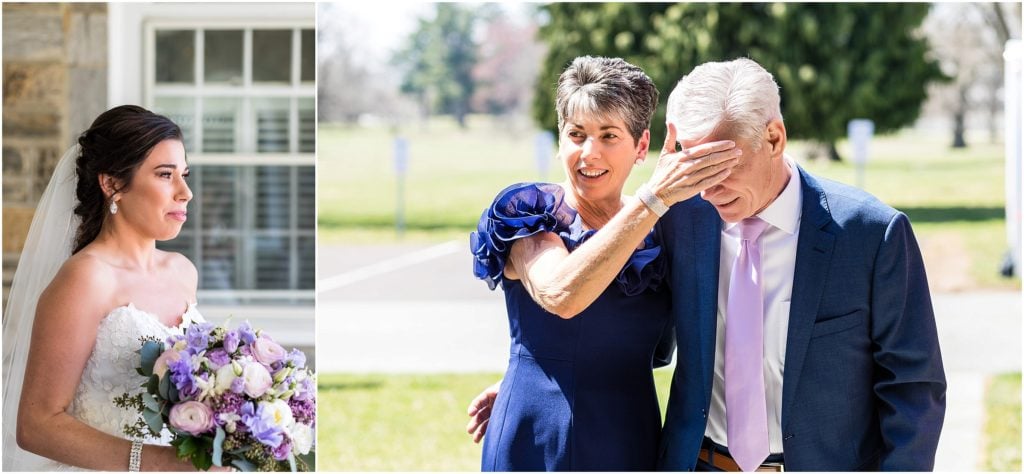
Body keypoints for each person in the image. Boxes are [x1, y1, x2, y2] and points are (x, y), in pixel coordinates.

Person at [468, 58, 946, 471]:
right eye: (695, 166)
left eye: (721, 165)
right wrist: (535, 377)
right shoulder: (679, 219)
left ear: (774, 138)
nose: (708, 186)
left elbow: (914, 387)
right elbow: (602, 312)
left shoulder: (869, 233)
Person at [468, 56, 740, 471]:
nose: (588, 153)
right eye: (576, 134)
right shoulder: (530, 214)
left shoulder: (661, 228)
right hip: (541, 437)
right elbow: (561, 294)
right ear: (560, 139)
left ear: (641, 146)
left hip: (630, 435)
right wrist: (533, 379)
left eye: (608, 135)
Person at [1, 105, 216, 471]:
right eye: (165, 175)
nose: (185, 193)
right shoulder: (86, 279)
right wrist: (158, 463)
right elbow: (36, 425)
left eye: (185, 174)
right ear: (112, 183)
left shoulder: (183, 272)